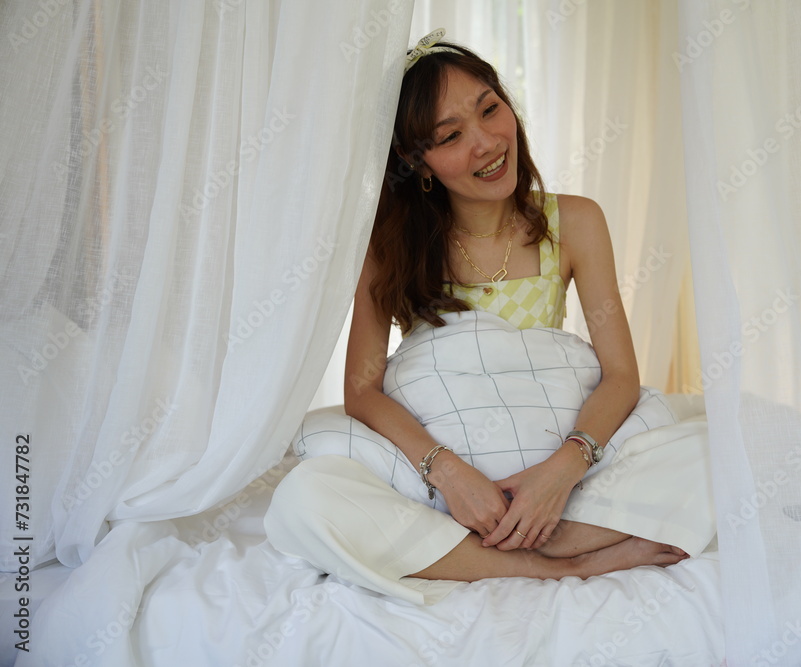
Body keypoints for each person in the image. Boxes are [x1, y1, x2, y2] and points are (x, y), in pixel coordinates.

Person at [264, 30, 714, 603]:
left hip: (560, 463)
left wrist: (562, 472)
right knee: (305, 501)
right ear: (416, 160)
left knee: (714, 449)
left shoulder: (574, 222)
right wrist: (449, 475)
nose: (485, 142)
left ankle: (539, 534)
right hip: (439, 481)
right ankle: (552, 565)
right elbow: (362, 390)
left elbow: (621, 375)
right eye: (450, 136)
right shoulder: (391, 243)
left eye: (490, 110)